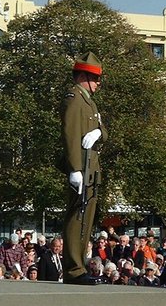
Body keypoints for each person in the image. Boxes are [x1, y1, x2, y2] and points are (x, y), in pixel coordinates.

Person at [60, 51, 107, 286]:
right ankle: (73, 269)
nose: (98, 84)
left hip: (92, 167)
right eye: (95, 79)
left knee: (86, 220)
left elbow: (104, 129)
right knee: (76, 218)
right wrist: (74, 168)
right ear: (83, 77)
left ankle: (79, 265)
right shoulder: (74, 98)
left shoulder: (89, 100)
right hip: (82, 167)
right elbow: (70, 135)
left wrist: (99, 132)